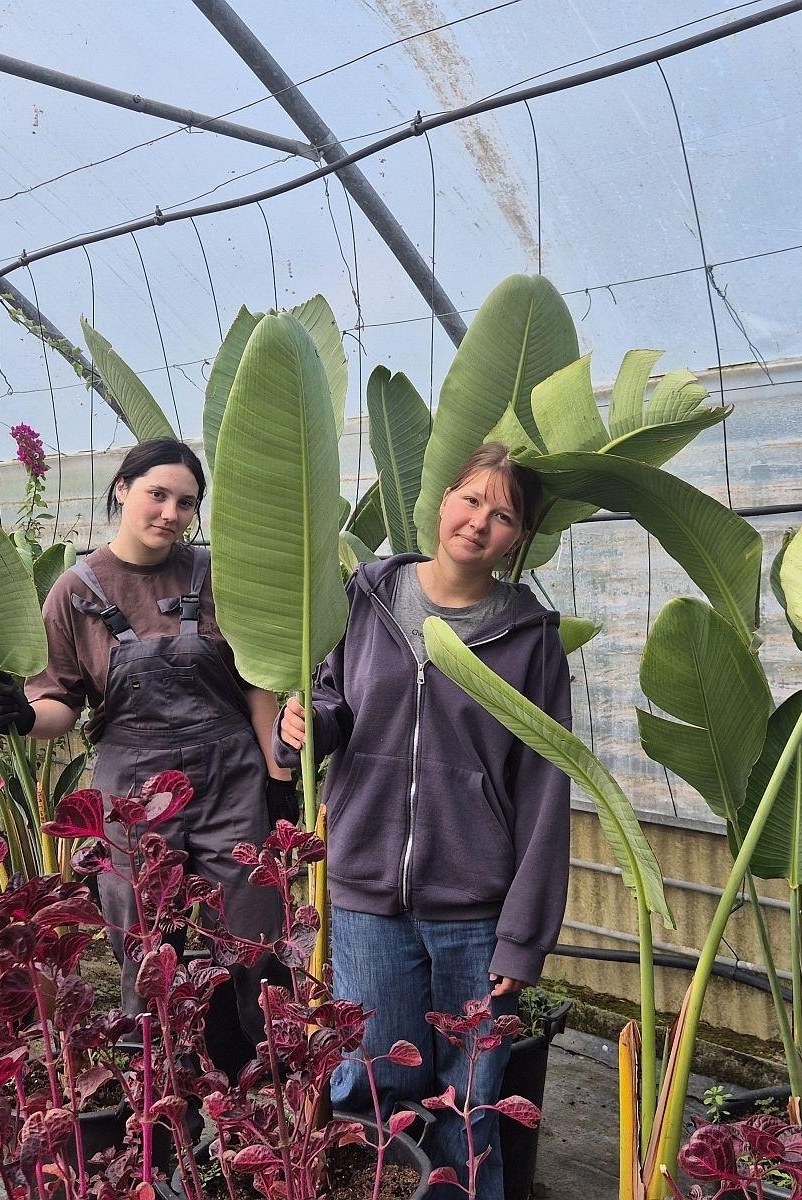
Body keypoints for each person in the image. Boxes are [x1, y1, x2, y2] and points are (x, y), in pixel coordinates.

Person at [277, 443, 572, 1200]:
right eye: (471, 500)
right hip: (368, 894)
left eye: (502, 515)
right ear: (443, 501)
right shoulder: (364, 598)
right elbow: (335, 701)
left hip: (477, 912)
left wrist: (523, 938)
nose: (479, 523)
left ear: (519, 538)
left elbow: (544, 789)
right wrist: (311, 723)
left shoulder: (529, 639)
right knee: (373, 1086)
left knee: (470, 1107)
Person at [0, 437, 293, 1066]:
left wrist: (276, 767)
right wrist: (21, 716)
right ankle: (162, 1085)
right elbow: (62, 704)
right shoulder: (76, 590)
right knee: (148, 939)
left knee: (255, 931)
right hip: (132, 788)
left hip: (230, 775)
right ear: (122, 489)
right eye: (158, 494)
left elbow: (257, 679)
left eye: (186, 503)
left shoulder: (214, 574)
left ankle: (259, 1077)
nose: (170, 513)